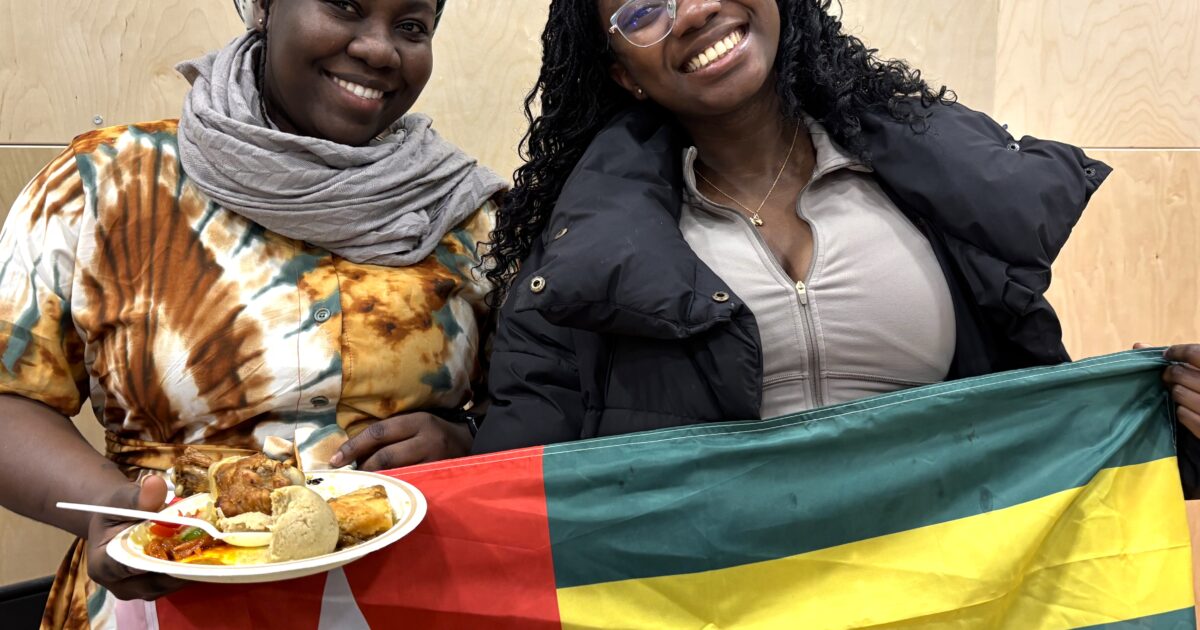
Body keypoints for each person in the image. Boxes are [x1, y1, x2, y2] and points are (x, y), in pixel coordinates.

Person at [471, 0, 1200, 472]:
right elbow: (518, 486)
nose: (693, 10)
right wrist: (449, 457)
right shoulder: (575, 266)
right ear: (623, 74)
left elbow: (1039, 439)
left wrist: (1166, 419)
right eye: (643, 9)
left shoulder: (934, 183)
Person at [0, 0, 504, 627]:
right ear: (263, 6)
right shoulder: (105, 183)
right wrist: (108, 505)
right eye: (345, 6)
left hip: (403, 598)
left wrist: (467, 442)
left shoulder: (466, 217)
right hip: (160, 596)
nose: (380, 49)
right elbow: (8, 398)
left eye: (411, 27)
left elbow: (530, 409)